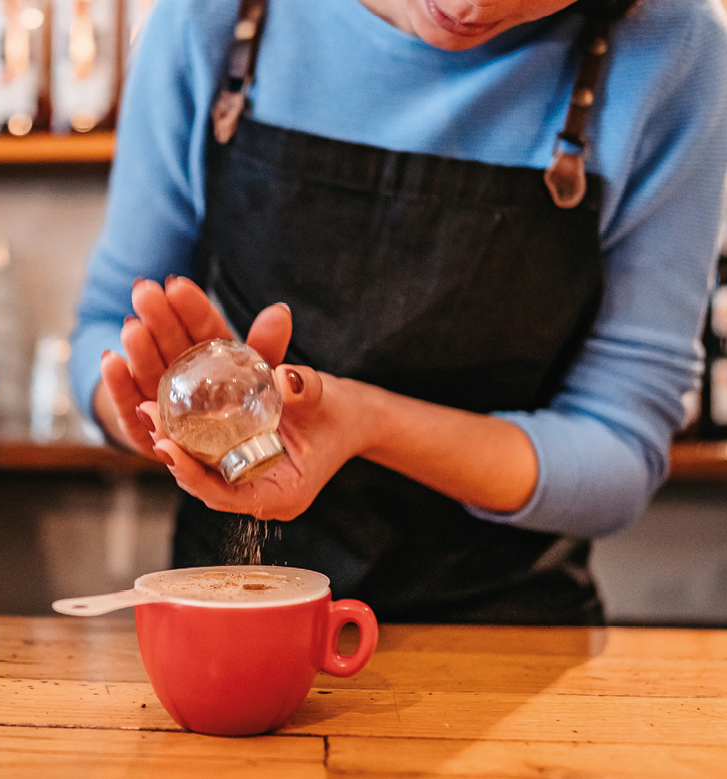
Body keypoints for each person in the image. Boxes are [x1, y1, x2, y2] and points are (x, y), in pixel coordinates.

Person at [71, 0, 727, 624]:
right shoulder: (218, 16)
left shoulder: (672, 50)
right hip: (229, 612)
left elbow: (618, 446)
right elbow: (103, 324)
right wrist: (157, 418)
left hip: (507, 634)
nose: (468, 9)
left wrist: (367, 422)